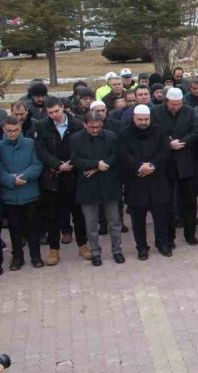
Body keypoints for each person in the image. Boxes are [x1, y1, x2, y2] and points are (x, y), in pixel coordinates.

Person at [34, 96, 87, 265]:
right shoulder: (42, 126)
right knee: (52, 216)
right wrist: (57, 165)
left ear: (62, 107)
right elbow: (41, 150)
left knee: (78, 214)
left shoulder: (77, 124)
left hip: (74, 175)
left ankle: (83, 245)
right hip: (53, 177)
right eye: (50, 113)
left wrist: (72, 163)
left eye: (56, 111)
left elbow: (82, 147)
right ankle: (54, 250)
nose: (54, 115)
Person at [117, 105, 172, 259]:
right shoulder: (124, 133)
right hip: (136, 181)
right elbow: (123, 154)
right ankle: (142, 247)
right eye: (140, 119)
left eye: (146, 119)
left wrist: (152, 165)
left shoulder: (159, 131)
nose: (143, 122)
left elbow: (165, 151)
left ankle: (162, 243)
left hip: (157, 179)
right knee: (138, 219)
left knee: (161, 217)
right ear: (133, 118)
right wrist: (139, 166)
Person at [70, 111, 124, 266]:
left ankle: (117, 250)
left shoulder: (111, 137)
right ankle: (95, 252)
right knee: (91, 223)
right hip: (88, 186)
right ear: (84, 124)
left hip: (109, 184)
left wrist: (99, 167)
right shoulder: (76, 139)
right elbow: (76, 160)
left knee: (114, 222)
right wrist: (96, 164)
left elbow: (116, 156)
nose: (95, 130)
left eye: (98, 127)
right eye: (92, 127)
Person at [151, 88, 198, 247]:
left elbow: (195, 131)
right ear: (166, 101)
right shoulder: (156, 112)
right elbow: (153, 132)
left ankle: (190, 234)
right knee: (167, 202)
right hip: (166, 163)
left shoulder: (189, 111)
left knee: (189, 201)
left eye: (179, 104)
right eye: (173, 104)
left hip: (186, 162)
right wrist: (168, 143)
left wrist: (183, 142)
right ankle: (169, 237)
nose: (176, 107)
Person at [0, 115, 44, 270]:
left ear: (20, 129)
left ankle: (36, 256)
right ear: (4, 130)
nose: (12, 133)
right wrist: (11, 180)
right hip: (10, 196)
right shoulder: (0, 146)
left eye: (15, 130)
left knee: (33, 228)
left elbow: (37, 165)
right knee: (14, 229)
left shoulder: (30, 143)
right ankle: (17, 257)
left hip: (29, 193)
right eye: (9, 131)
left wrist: (23, 177)